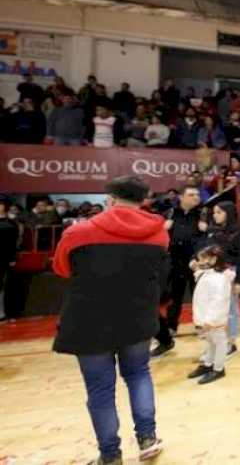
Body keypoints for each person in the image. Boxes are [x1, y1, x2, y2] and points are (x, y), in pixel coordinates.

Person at [51, 176, 167, 464]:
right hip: (137, 317)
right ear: (143, 202)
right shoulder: (159, 233)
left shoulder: (78, 233)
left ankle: (110, 455)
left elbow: (61, 269)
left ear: (111, 200)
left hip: (90, 321)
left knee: (100, 389)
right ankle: (147, 438)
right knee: (139, 374)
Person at [151, 186, 204, 357]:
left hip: (197, 262)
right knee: (175, 297)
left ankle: (202, 326)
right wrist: (164, 228)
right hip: (174, 262)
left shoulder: (203, 213)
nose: (196, 197)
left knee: (200, 295)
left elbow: (208, 235)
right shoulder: (171, 213)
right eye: (191, 194)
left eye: (197, 194)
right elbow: (158, 232)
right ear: (181, 197)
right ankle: (171, 327)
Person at [197, 202, 240, 358]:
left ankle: (230, 343)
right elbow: (205, 251)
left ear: (228, 213)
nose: (215, 215)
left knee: (231, 310)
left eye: (219, 212)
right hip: (213, 275)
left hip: (229, 274)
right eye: (214, 212)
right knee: (214, 309)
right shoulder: (213, 233)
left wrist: (239, 281)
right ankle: (216, 343)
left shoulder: (239, 234)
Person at [186, 245, 234, 385]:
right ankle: (208, 364)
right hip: (204, 315)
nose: (200, 261)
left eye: (203, 259)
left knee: (219, 342)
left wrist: (211, 319)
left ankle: (218, 368)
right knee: (210, 342)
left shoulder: (221, 278)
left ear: (214, 259)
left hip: (214, 318)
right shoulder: (208, 273)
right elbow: (201, 276)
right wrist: (195, 268)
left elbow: (219, 301)